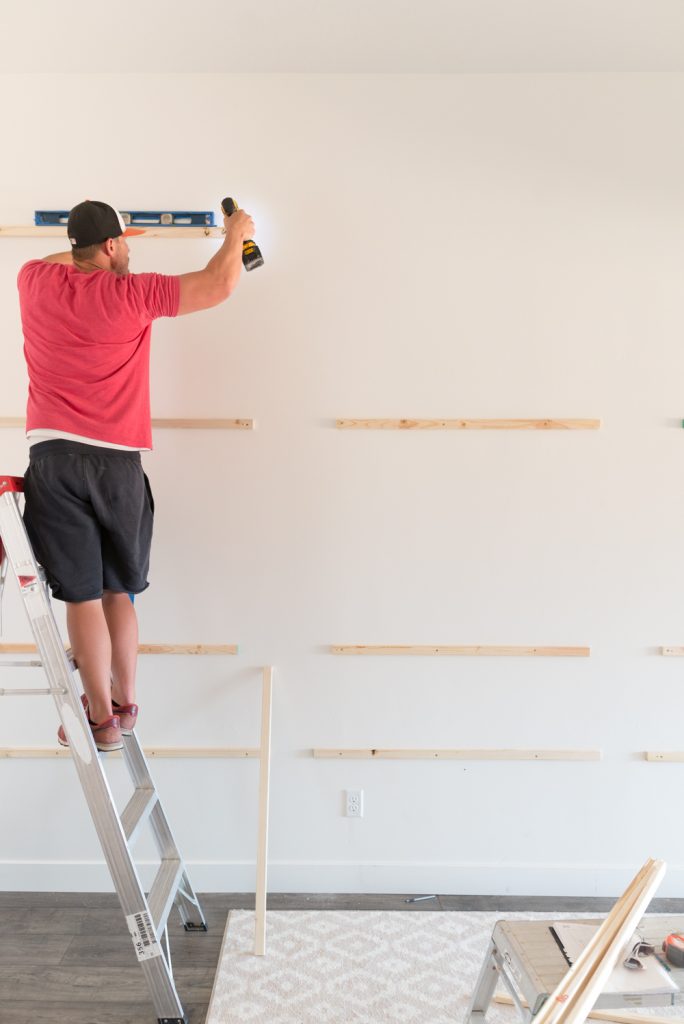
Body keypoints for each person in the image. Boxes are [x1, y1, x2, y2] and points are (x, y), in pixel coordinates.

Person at [16, 199, 255, 751]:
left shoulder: (32, 281)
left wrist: (97, 247)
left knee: (81, 597)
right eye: (122, 243)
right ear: (109, 246)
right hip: (117, 462)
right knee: (117, 590)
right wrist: (236, 233)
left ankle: (100, 721)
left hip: (53, 457)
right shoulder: (133, 294)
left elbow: (59, 259)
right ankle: (124, 708)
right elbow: (219, 284)